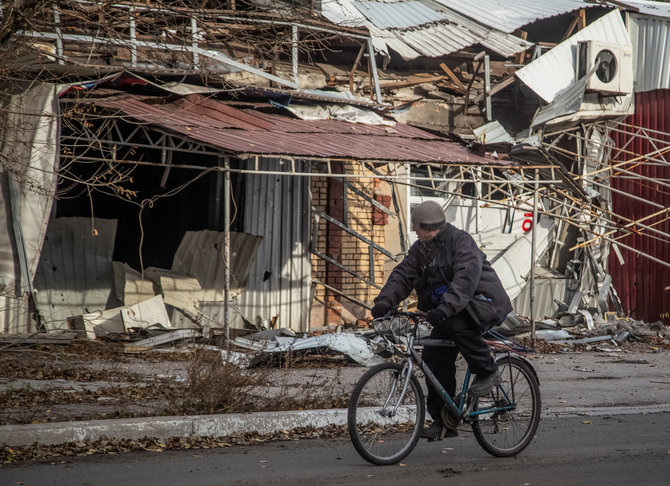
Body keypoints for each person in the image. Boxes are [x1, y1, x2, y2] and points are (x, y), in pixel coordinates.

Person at [371, 200, 512, 441]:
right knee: (433, 356)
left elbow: (465, 280)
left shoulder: (460, 242)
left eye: (417, 228)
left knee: (457, 325)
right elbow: (403, 275)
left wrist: (444, 308)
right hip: (452, 310)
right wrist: (384, 301)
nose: (415, 232)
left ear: (427, 227)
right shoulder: (421, 248)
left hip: (482, 303)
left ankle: (488, 372)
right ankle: (444, 420)